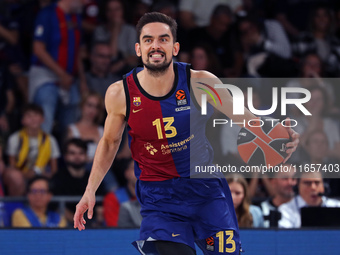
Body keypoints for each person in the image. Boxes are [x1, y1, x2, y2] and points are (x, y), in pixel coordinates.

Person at [74, 12, 299, 255]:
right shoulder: (120, 94)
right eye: (148, 40)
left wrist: (277, 132)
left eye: (163, 39)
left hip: (206, 192)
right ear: (138, 49)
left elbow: (243, 116)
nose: (156, 46)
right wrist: (90, 190)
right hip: (160, 199)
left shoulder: (201, 83)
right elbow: (109, 142)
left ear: (175, 47)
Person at [29, 0, 85, 133]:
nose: (85, 2)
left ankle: (70, 152)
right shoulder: (47, 14)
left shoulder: (75, 18)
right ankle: (42, 152)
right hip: (45, 76)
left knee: (74, 115)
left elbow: (77, 53)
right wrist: (62, 75)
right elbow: (38, 49)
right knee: (45, 114)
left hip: (69, 78)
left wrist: (82, 81)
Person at [4, 104, 60, 196]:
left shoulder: (51, 140)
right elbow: (12, 166)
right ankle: (16, 206)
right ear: (22, 120)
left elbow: (54, 170)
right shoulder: (15, 138)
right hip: (21, 175)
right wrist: (26, 174)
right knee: (15, 177)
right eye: (29, 116)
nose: (33, 119)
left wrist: (42, 174)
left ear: (43, 119)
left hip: (41, 176)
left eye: (36, 115)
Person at [52, 138, 106, 227]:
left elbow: (100, 206)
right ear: (65, 156)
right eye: (72, 153)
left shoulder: (94, 178)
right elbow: (57, 207)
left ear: (86, 156)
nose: (77, 157)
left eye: (81, 153)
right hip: (65, 225)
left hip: (91, 224)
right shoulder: (58, 178)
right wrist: (77, 221)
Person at [66, 92, 105, 163]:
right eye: (89, 105)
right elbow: (69, 155)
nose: (92, 110)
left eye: (96, 107)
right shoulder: (71, 129)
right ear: (82, 105)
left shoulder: (102, 130)